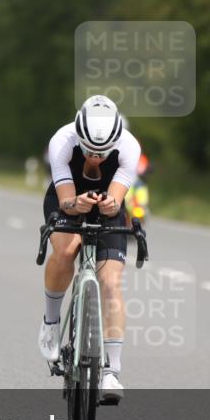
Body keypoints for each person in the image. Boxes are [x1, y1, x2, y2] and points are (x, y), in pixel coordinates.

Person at [39, 95, 140, 403]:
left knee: (111, 282)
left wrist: (111, 204)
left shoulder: (130, 147)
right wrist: (75, 204)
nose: (95, 157)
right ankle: (51, 323)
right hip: (66, 199)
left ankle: (112, 370)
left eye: (102, 152)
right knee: (67, 250)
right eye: (88, 150)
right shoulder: (62, 141)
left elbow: (116, 200)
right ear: (78, 136)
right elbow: (67, 197)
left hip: (106, 205)